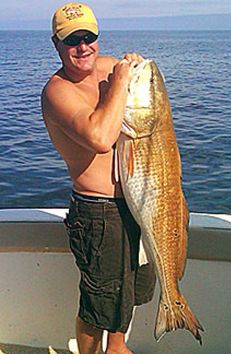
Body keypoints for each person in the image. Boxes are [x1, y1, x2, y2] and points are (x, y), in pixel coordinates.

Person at [41, 3, 156, 354]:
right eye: (71, 39)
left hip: (138, 203)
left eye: (89, 37)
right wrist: (122, 81)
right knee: (98, 302)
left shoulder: (110, 68)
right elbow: (101, 137)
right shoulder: (57, 92)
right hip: (98, 213)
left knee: (133, 288)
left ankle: (117, 348)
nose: (82, 46)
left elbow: (151, 108)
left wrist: (138, 69)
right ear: (56, 44)